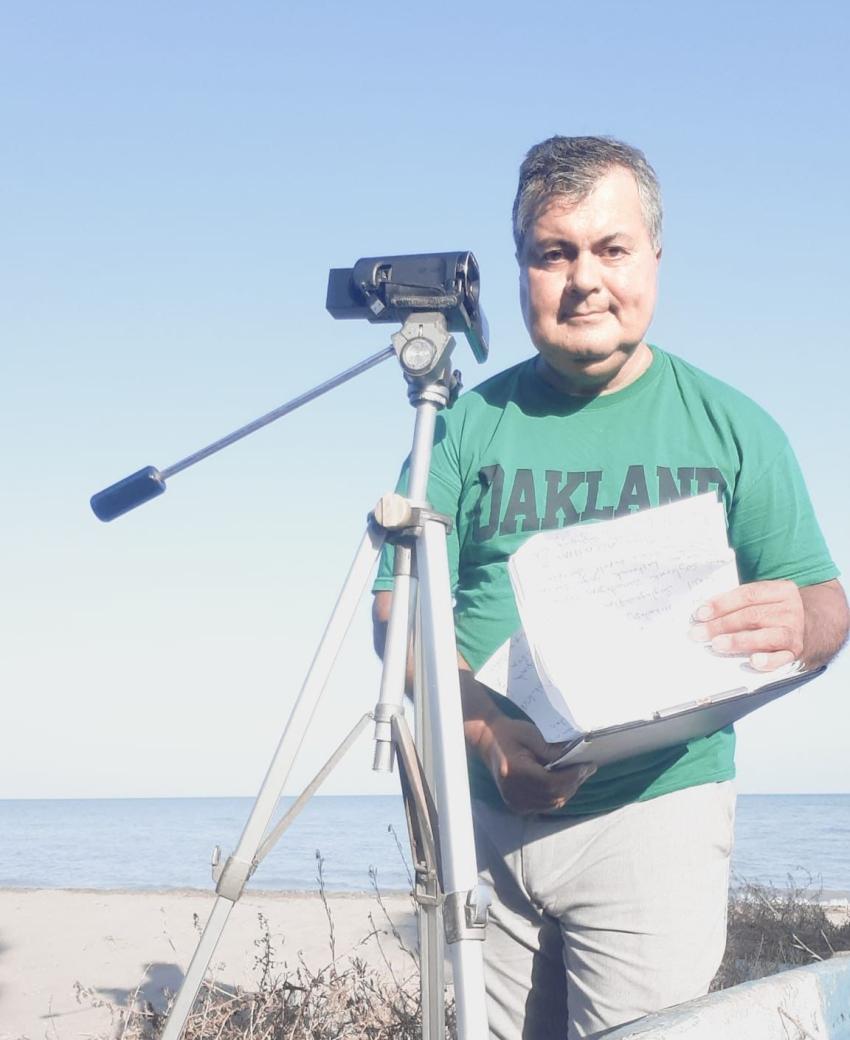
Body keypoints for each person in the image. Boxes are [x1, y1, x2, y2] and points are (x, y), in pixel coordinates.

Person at [372, 136, 849, 1040]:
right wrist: (481, 733)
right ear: (521, 268)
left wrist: (806, 620)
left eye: (611, 248)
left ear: (654, 258)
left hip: (657, 809)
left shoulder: (735, 426)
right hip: (482, 814)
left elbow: (826, 603)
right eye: (554, 252)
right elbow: (396, 611)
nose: (583, 279)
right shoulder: (464, 425)